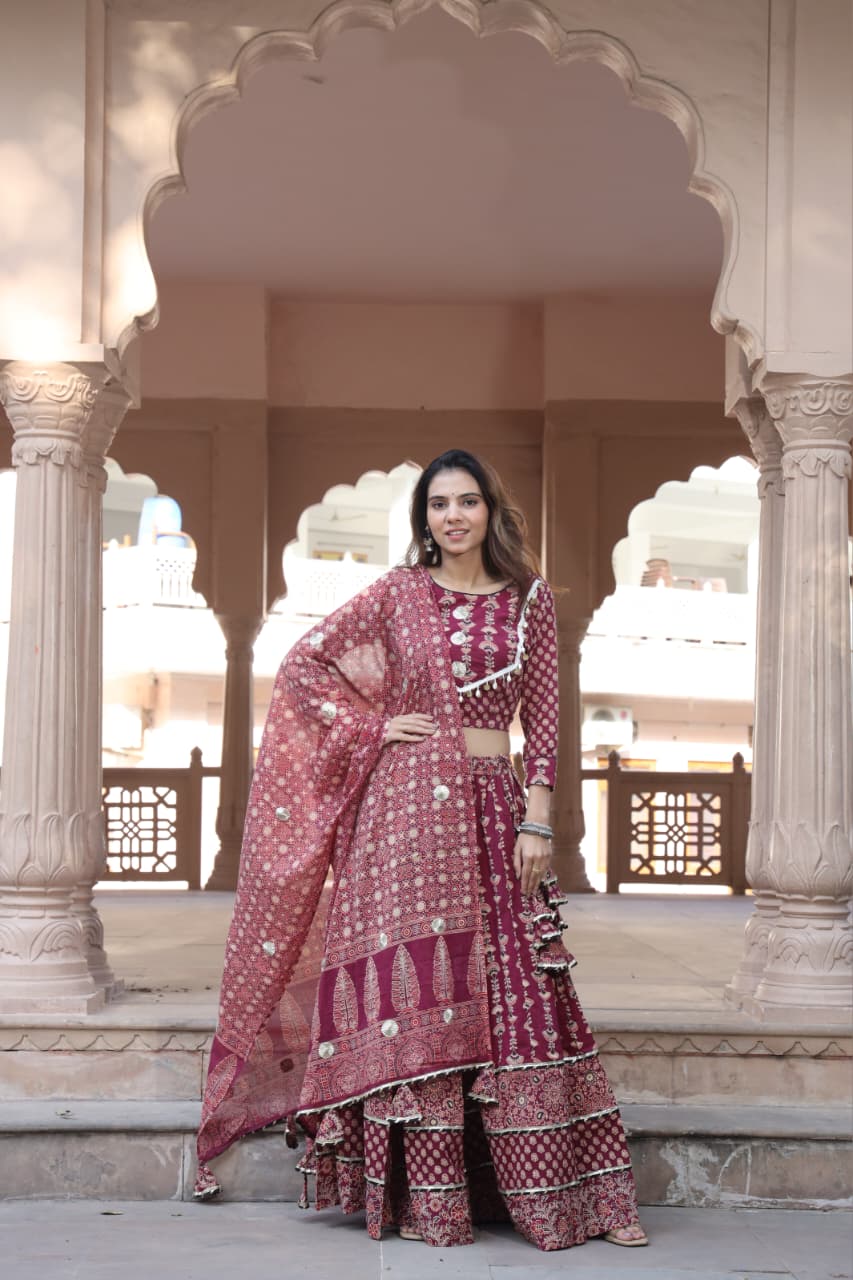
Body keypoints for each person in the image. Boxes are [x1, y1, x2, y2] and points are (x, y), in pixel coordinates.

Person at [194, 448, 647, 1251]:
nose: (453, 517)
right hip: (400, 815)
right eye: (438, 505)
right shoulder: (398, 595)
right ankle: (423, 1201)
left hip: (491, 805)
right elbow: (305, 667)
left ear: (490, 512)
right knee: (415, 994)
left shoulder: (527, 602)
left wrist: (537, 819)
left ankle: (553, 1195)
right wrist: (373, 728)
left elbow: (542, 721)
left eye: (467, 502)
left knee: (516, 984)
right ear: (424, 519)